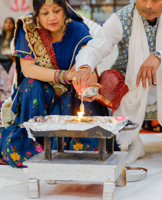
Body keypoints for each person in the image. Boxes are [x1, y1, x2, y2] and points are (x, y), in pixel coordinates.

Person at [74, 0, 162, 168]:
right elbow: (93, 49)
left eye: (155, 0)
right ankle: (134, 142)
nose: (148, 5)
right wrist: (84, 67)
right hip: (134, 83)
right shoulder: (123, 18)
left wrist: (160, 57)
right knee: (108, 80)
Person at [0, 0, 110, 168]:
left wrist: (88, 81)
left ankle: (80, 146)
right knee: (32, 83)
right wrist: (63, 75)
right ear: (36, 13)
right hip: (40, 92)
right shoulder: (28, 28)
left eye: (56, 11)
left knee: (82, 90)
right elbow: (28, 69)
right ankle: (35, 144)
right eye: (45, 13)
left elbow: (88, 64)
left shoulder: (78, 30)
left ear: (66, 10)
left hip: (70, 92)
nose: (51, 17)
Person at [0, 17, 15, 101]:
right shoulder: (1, 37)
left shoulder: (15, 38)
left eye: (10, 22)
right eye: (6, 22)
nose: (8, 24)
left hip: (11, 62)